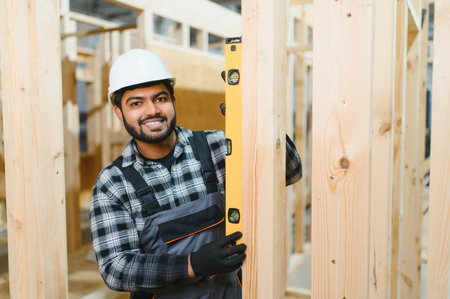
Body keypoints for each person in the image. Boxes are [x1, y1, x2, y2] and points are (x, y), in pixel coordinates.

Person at [90, 49, 302, 299]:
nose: (152, 110)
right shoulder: (113, 183)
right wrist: (192, 265)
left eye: (160, 98)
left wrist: (257, 118)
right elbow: (116, 269)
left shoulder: (218, 147)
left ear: (173, 101)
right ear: (119, 113)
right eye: (136, 103)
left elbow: (291, 172)